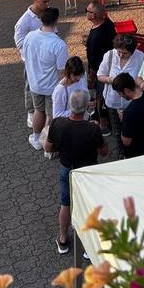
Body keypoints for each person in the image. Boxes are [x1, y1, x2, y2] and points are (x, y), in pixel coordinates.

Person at [45, 89, 107, 254]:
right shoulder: (92, 128)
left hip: (67, 169)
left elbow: (48, 147)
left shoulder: (57, 123)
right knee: (88, 206)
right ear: (87, 107)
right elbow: (104, 152)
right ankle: (88, 247)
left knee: (65, 204)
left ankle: (63, 240)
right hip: (87, 172)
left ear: (70, 106)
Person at [22, 7, 68, 151]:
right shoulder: (59, 44)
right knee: (53, 115)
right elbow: (62, 71)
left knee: (38, 110)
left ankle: (36, 138)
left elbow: (26, 57)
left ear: (41, 20)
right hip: (52, 86)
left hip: (34, 84)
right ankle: (53, 142)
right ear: (56, 21)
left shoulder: (29, 36)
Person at [97, 34, 144, 157]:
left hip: (132, 102)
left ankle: (134, 152)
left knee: (133, 129)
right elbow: (100, 75)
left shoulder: (140, 57)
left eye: (125, 53)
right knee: (117, 131)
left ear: (132, 51)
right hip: (113, 102)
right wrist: (112, 80)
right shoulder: (109, 55)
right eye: (119, 52)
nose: (121, 55)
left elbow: (143, 76)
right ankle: (121, 153)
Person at [14, 0, 55, 129]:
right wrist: (38, 46)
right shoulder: (24, 22)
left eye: (49, 1)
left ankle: (44, 112)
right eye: (45, 1)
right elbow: (20, 43)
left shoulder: (46, 14)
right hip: (31, 62)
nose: (47, 5)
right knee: (30, 86)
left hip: (47, 61)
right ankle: (31, 112)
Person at [84, 0, 116, 135]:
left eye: (88, 11)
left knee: (100, 97)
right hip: (111, 65)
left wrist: (91, 78)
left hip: (99, 70)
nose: (86, 13)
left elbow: (93, 61)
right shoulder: (108, 24)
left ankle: (103, 125)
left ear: (94, 15)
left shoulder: (96, 37)